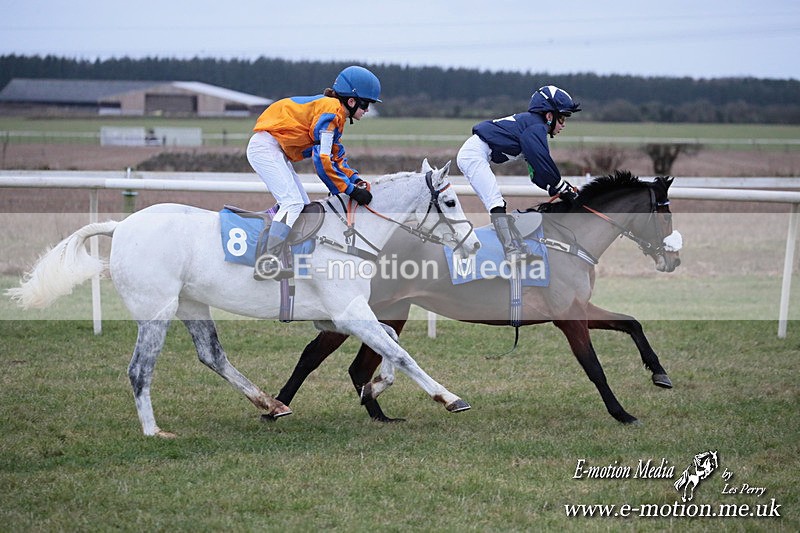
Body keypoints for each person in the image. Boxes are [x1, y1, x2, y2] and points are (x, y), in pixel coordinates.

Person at [247, 65, 381, 280]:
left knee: (302, 205)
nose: (367, 110)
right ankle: (267, 261)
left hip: (274, 149)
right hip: (266, 148)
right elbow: (323, 160)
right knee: (293, 203)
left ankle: (289, 258)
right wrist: (349, 190)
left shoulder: (334, 113)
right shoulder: (331, 112)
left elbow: (336, 154)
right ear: (352, 101)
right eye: (366, 104)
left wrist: (355, 179)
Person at [456, 85, 581, 262]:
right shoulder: (535, 128)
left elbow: (536, 173)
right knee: (495, 202)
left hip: (477, 153)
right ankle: (511, 251)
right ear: (549, 116)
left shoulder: (533, 128)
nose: (563, 124)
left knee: (498, 202)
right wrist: (561, 186)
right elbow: (543, 161)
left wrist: (554, 188)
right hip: (473, 154)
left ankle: (517, 248)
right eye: (561, 118)